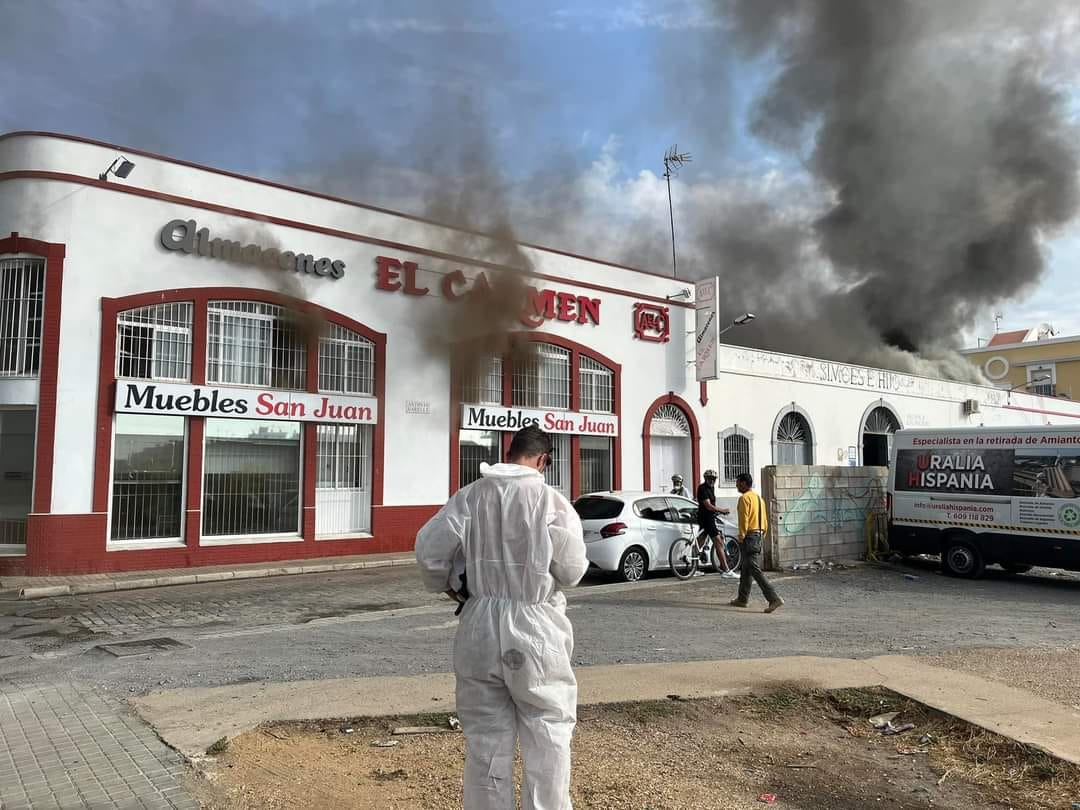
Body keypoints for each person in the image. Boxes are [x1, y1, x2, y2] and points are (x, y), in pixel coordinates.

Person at [415, 425, 588, 810]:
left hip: (479, 625)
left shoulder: (469, 497)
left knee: (485, 739)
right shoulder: (551, 502)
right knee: (548, 732)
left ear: (509, 452)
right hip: (536, 625)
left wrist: (450, 587)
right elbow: (573, 571)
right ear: (543, 460)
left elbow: (429, 553)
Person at [728, 472, 784, 613]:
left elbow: (744, 519)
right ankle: (742, 598)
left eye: (738, 482)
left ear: (745, 483)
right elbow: (765, 520)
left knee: (754, 569)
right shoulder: (759, 499)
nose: (736, 485)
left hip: (749, 536)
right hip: (758, 534)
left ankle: (773, 598)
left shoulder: (744, 499)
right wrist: (762, 534)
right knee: (746, 568)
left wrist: (741, 536)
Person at [697, 470, 737, 578]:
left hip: (708, 517)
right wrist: (722, 510)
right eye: (710, 479)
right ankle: (726, 569)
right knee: (718, 542)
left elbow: (712, 505)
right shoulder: (702, 488)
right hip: (706, 519)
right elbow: (708, 506)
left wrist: (717, 512)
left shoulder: (711, 488)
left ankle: (694, 568)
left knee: (699, 542)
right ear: (705, 479)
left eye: (714, 479)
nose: (712, 481)